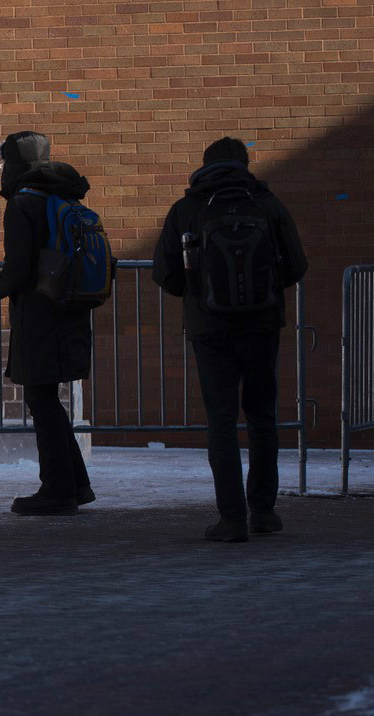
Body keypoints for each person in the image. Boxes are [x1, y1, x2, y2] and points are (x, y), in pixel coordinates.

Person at [152, 137, 307, 542]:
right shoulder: (266, 204)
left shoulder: (187, 209)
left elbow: (165, 275)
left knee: (221, 422)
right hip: (261, 327)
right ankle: (265, 512)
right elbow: (296, 265)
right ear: (244, 164)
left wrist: (199, 293)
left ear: (205, 166)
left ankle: (232, 519)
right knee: (262, 417)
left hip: (210, 330)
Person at [0, 131, 96, 516]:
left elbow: (18, 268)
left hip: (39, 314)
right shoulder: (64, 195)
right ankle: (75, 485)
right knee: (48, 400)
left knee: (42, 400)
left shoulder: (23, 204)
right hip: (69, 308)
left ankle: (57, 490)